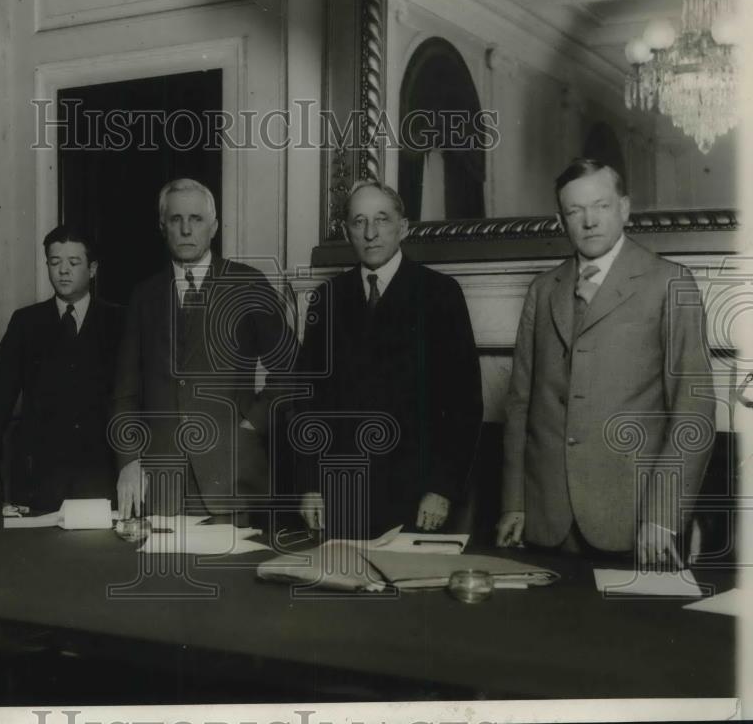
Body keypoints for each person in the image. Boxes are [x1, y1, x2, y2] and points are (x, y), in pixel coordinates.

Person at [497, 158, 715, 565]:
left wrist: (663, 517)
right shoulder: (543, 290)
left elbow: (694, 412)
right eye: (575, 211)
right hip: (547, 519)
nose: (589, 221)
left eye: (600, 206)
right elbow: (519, 406)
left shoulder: (669, 282)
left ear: (625, 208)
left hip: (634, 521)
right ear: (561, 219)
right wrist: (516, 502)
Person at [296, 180, 483, 539]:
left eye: (381, 220)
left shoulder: (440, 294)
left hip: (417, 496)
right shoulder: (327, 299)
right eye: (358, 221)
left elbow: (464, 405)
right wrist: (310, 486)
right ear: (347, 230)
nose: (370, 233)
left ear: (403, 227)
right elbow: (308, 405)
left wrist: (441, 489)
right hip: (341, 494)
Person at [112, 178, 296, 522]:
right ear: (162, 226)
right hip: (160, 483)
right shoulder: (144, 296)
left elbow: (292, 368)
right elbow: (125, 392)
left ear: (213, 227)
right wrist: (129, 460)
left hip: (233, 476)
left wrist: (254, 422)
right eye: (175, 219)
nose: (185, 229)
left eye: (196, 219)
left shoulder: (247, 283)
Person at [0, 225, 123, 512]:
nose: (63, 271)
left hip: (102, 474)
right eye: (55, 262)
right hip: (39, 477)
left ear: (93, 268)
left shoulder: (120, 321)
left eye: (74, 263)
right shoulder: (26, 323)